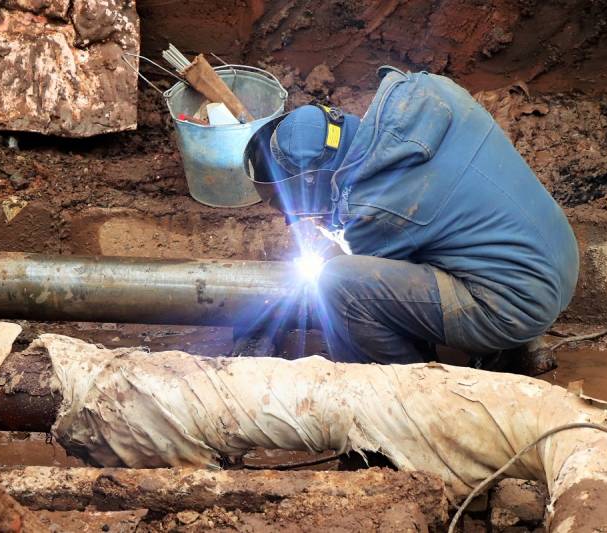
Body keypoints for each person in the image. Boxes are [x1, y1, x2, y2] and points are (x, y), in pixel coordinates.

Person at [245, 66, 579, 373]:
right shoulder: (425, 93)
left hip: (515, 303)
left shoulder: (374, 209)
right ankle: (508, 348)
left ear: (311, 183)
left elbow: (366, 273)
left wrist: (329, 228)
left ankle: (416, 388)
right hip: (558, 257)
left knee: (337, 285)